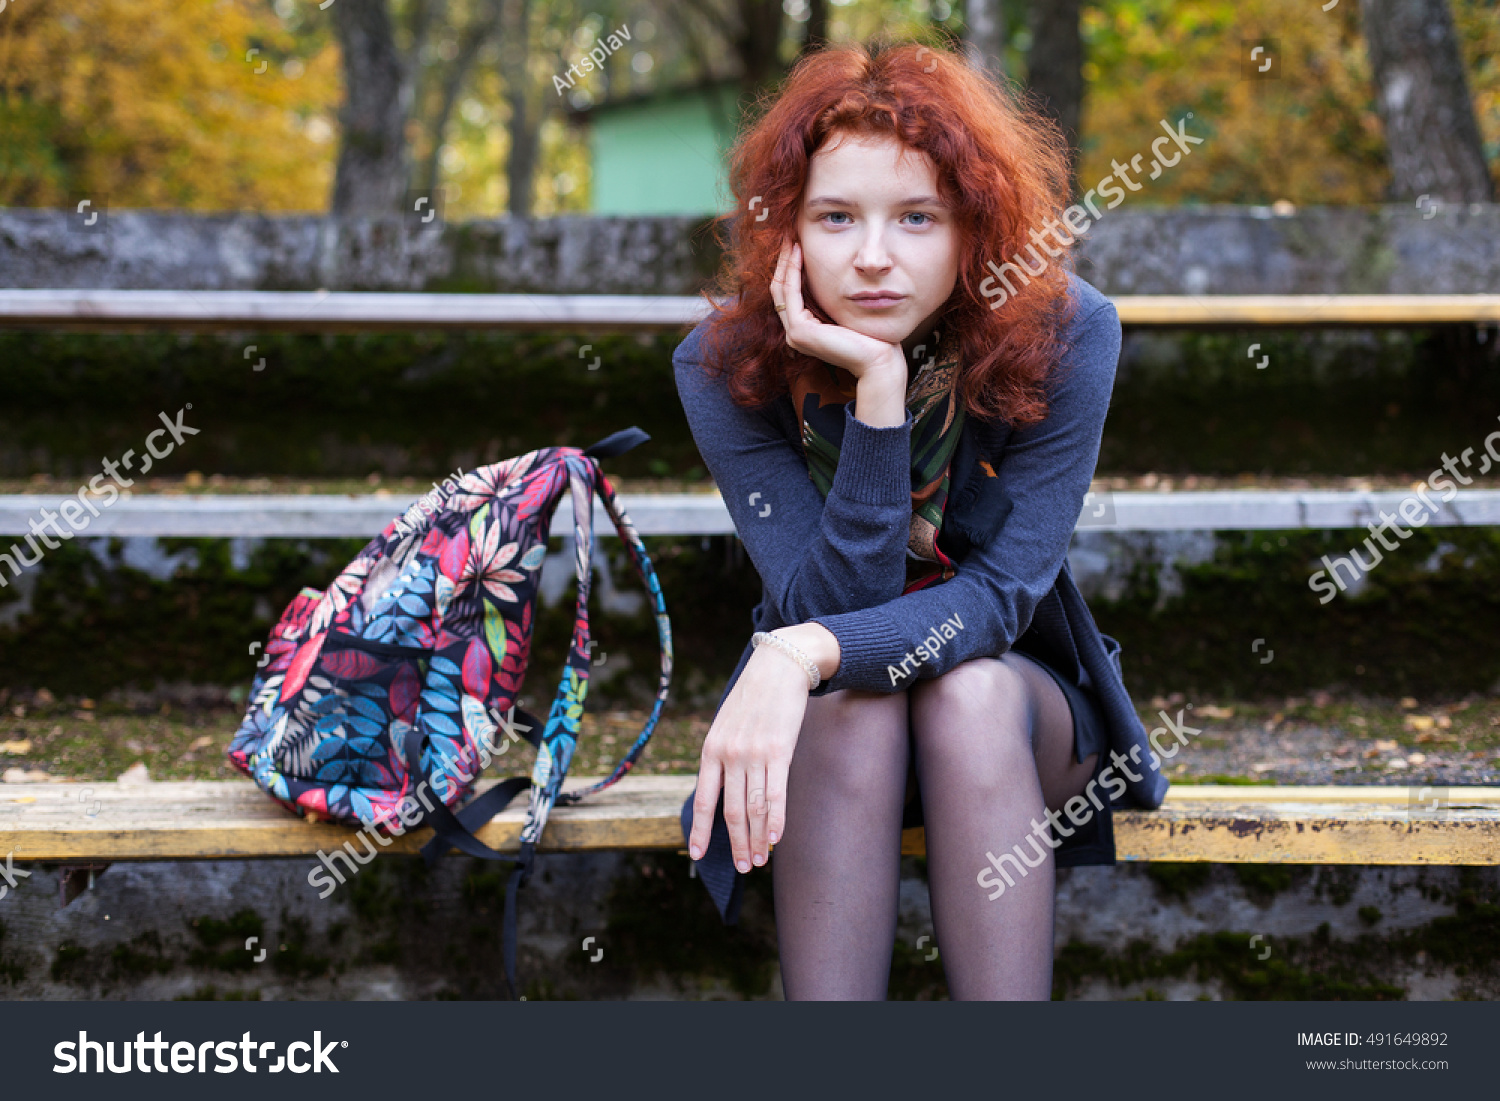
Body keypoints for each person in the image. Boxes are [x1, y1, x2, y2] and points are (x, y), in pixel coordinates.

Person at [673, 38, 1167, 1000]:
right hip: (834, 745)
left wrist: (793, 652)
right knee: (855, 704)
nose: (871, 257)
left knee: (965, 692)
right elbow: (833, 602)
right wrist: (877, 398)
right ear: (790, 234)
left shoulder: (1069, 332)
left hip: (1011, 736)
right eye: (834, 217)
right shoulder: (722, 364)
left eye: (916, 217)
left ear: (975, 225)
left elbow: (996, 600)